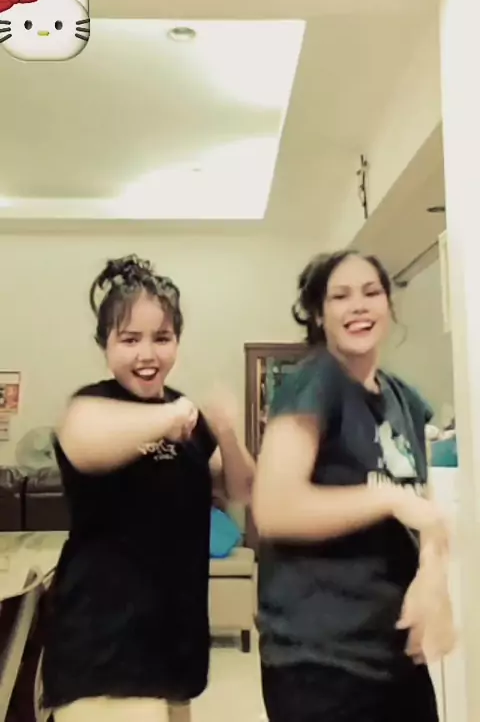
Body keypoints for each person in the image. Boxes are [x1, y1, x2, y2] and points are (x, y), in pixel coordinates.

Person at [41, 254, 255, 722]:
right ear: (105, 344)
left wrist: (227, 433)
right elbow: (80, 441)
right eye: (129, 339)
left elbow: (241, 489)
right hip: (105, 651)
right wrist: (171, 417)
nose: (147, 354)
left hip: (175, 647)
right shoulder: (92, 406)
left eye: (162, 337)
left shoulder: (187, 416)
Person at [253, 250, 455, 722]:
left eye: (371, 292)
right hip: (320, 658)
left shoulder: (404, 399)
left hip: (392, 652)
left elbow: (421, 508)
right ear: (318, 315)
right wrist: (385, 497)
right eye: (340, 296)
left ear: (388, 304)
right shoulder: (314, 381)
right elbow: (275, 508)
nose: (358, 305)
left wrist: (432, 576)